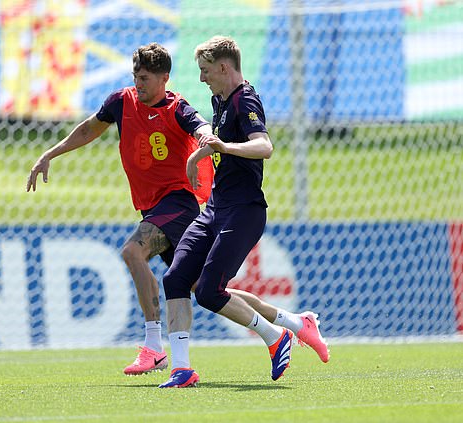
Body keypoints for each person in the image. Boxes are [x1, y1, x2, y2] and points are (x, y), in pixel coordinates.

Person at [27, 43, 215, 375]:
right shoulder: (121, 103)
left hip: (178, 204)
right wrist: (49, 155)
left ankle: (154, 346)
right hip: (153, 209)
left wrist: (205, 139)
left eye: (144, 78)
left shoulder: (176, 107)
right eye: (135, 76)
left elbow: (200, 126)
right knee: (207, 290)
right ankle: (283, 326)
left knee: (132, 252)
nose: (138, 83)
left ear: (164, 79)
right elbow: (88, 129)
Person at [158, 36, 330, 389]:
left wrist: (221, 147)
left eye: (205, 71)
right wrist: (201, 155)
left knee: (208, 291)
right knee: (175, 278)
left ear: (224, 67)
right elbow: (220, 146)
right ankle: (182, 369)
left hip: (244, 212)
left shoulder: (245, 99)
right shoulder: (219, 100)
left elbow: (264, 146)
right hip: (215, 208)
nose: (202, 78)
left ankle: (275, 336)